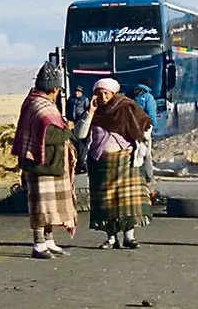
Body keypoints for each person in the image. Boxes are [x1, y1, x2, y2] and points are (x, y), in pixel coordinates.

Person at [11, 62, 79, 260]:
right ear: (55, 88)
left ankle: (49, 241)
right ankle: (39, 244)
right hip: (41, 165)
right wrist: (68, 130)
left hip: (49, 164)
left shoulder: (36, 103)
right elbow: (47, 136)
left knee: (51, 206)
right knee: (41, 205)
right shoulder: (40, 106)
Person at [76, 78, 153, 250]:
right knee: (107, 202)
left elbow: (146, 126)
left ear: (114, 93)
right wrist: (90, 112)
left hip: (125, 160)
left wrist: (139, 145)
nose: (103, 97)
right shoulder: (94, 113)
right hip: (101, 163)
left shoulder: (127, 108)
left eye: (106, 93)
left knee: (126, 202)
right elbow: (80, 134)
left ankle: (129, 236)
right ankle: (111, 238)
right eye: (99, 93)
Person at [131, 81, 157, 191]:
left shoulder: (148, 98)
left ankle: (148, 177)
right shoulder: (132, 97)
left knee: (144, 152)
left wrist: (150, 127)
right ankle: (144, 176)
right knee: (139, 151)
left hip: (145, 127)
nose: (136, 91)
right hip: (134, 127)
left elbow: (151, 115)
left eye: (138, 89)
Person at [66, 86, 91, 173]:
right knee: (75, 141)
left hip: (81, 122)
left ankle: (82, 163)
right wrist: (68, 119)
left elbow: (87, 110)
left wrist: (84, 120)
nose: (77, 93)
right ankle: (79, 162)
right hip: (72, 122)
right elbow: (67, 109)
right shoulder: (71, 99)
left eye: (78, 91)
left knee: (81, 142)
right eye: (76, 91)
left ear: (81, 92)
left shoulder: (85, 99)